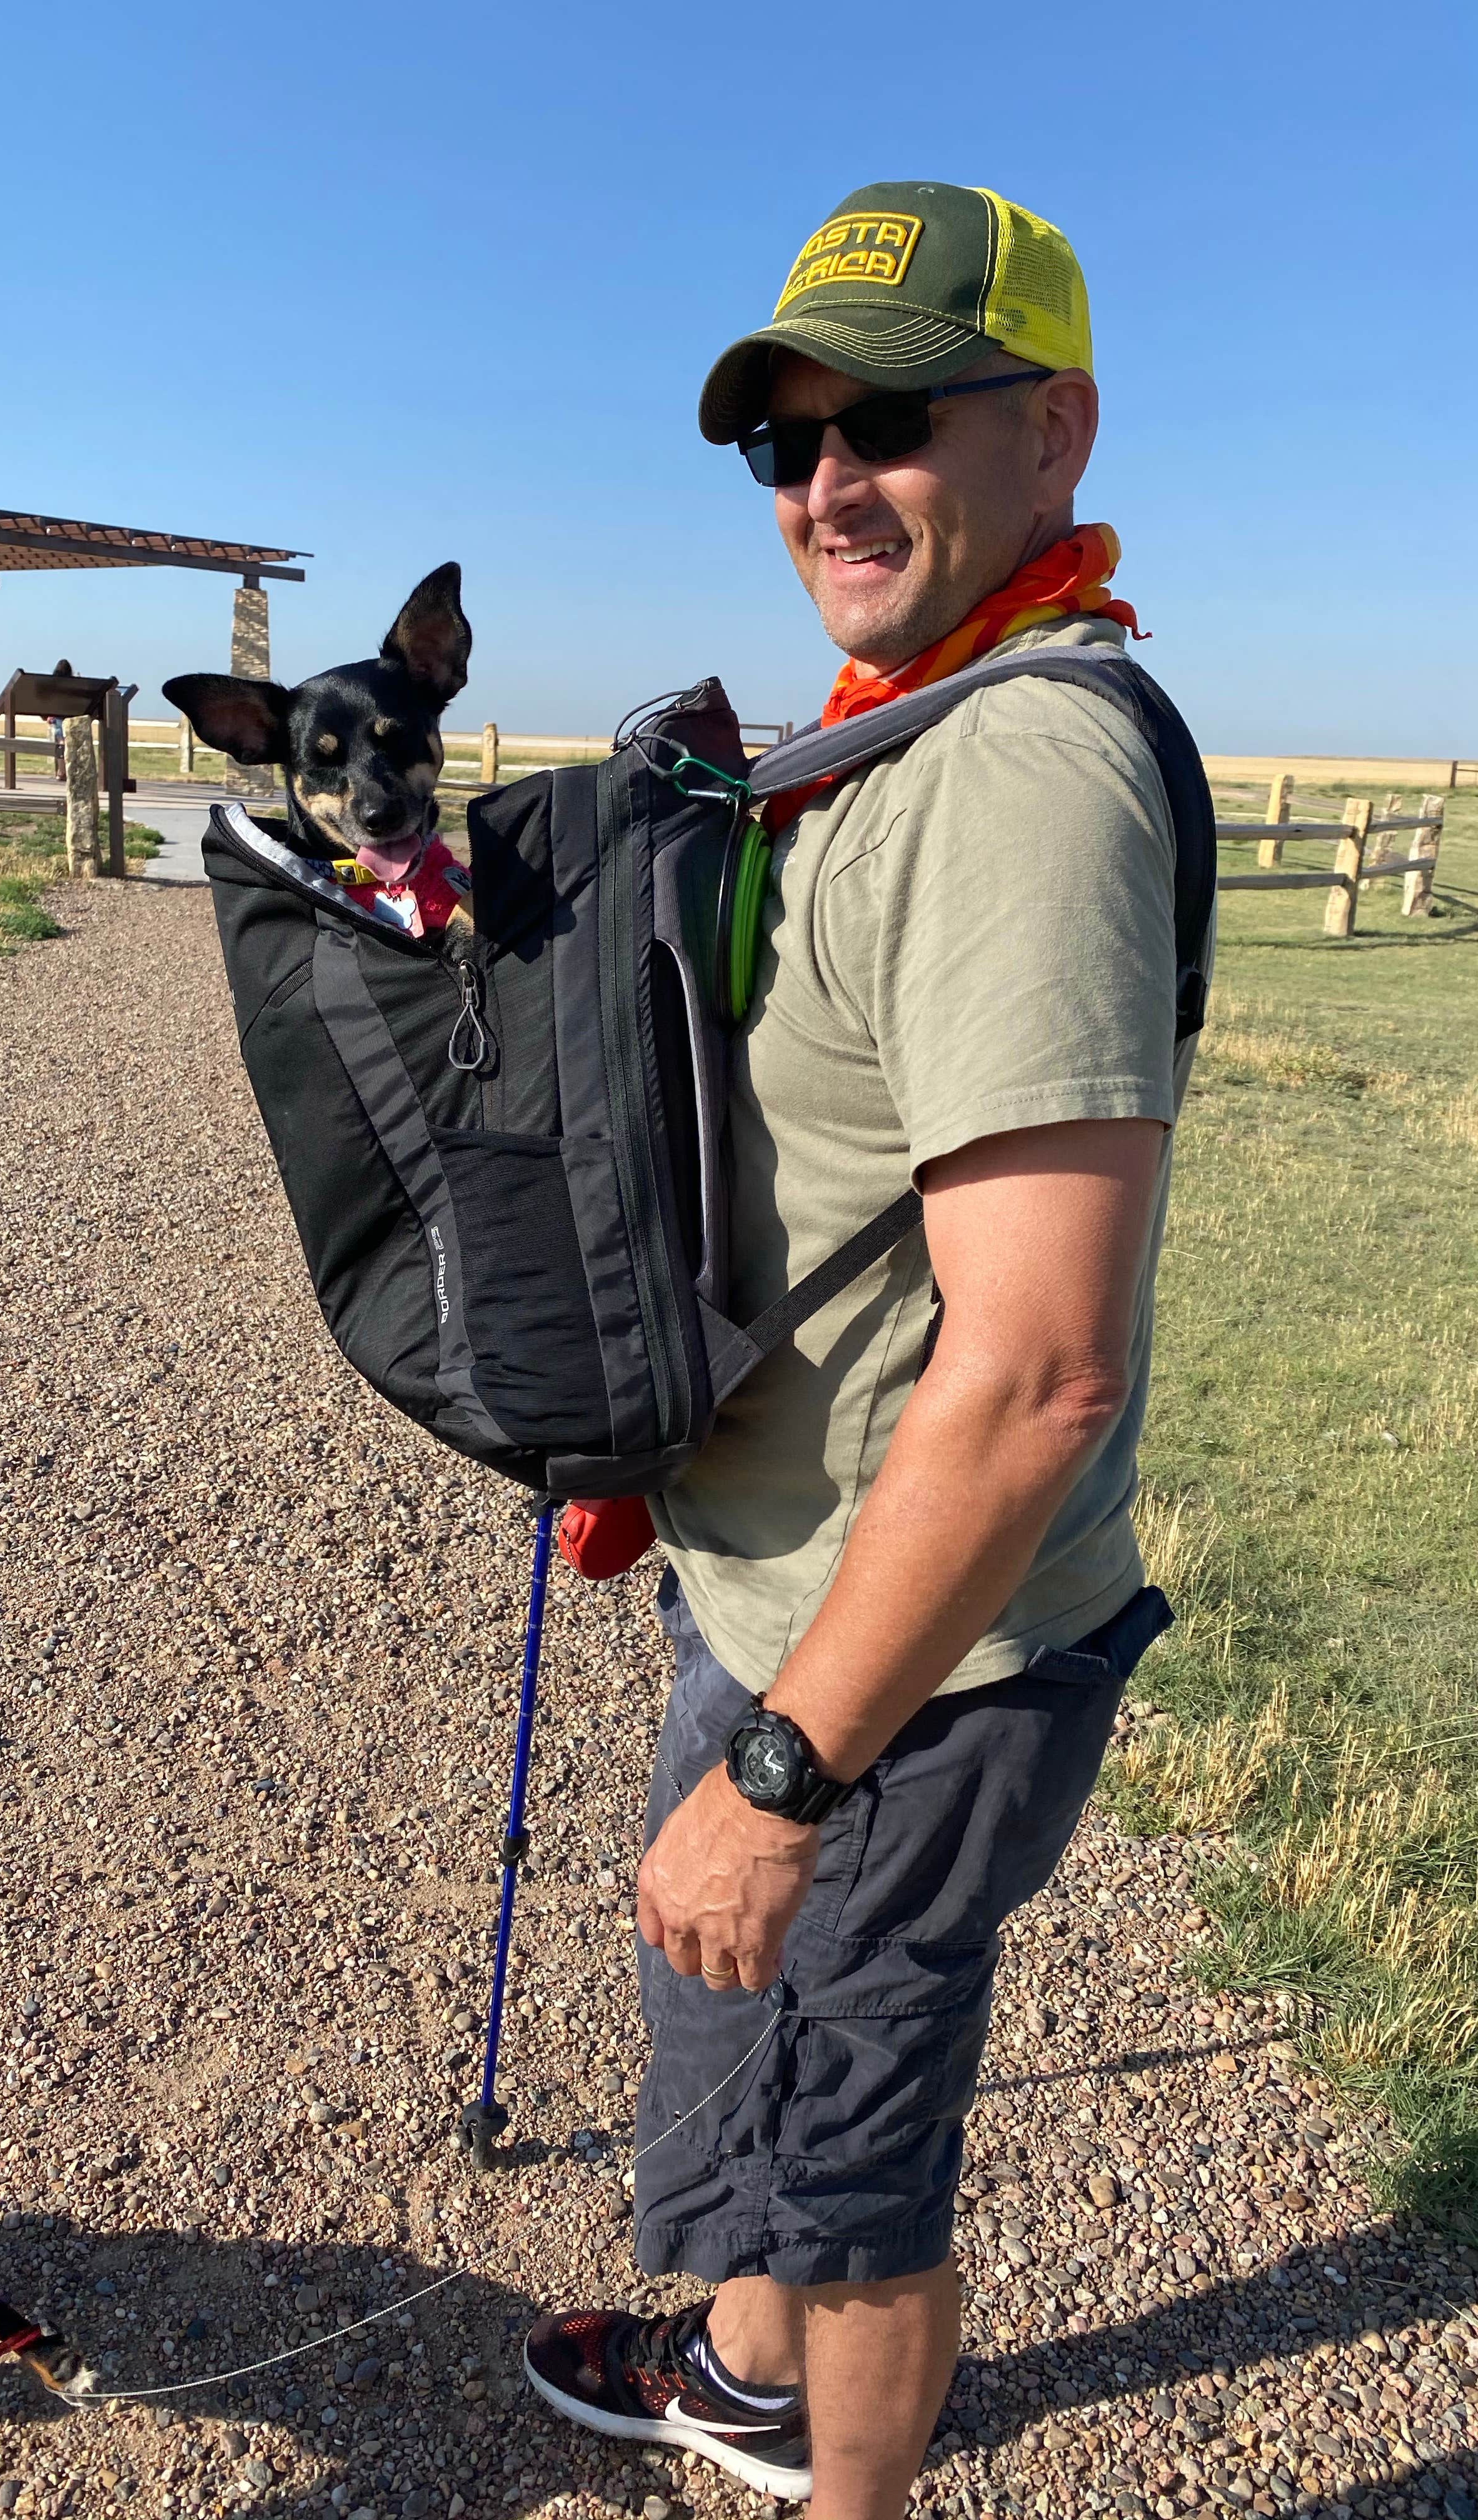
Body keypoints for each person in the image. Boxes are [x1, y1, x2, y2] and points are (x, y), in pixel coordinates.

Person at [524, 181, 1210, 2520]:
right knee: (756, 2054)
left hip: (910, 1664)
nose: (827, 483)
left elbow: (1038, 1375)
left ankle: (851, 2483)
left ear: (1054, 430)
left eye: (889, 422)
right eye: (784, 441)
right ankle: (739, 2369)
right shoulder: (907, 733)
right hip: (796, 1582)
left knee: (851, 2145)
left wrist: (786, 1773)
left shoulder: (1024, 773)